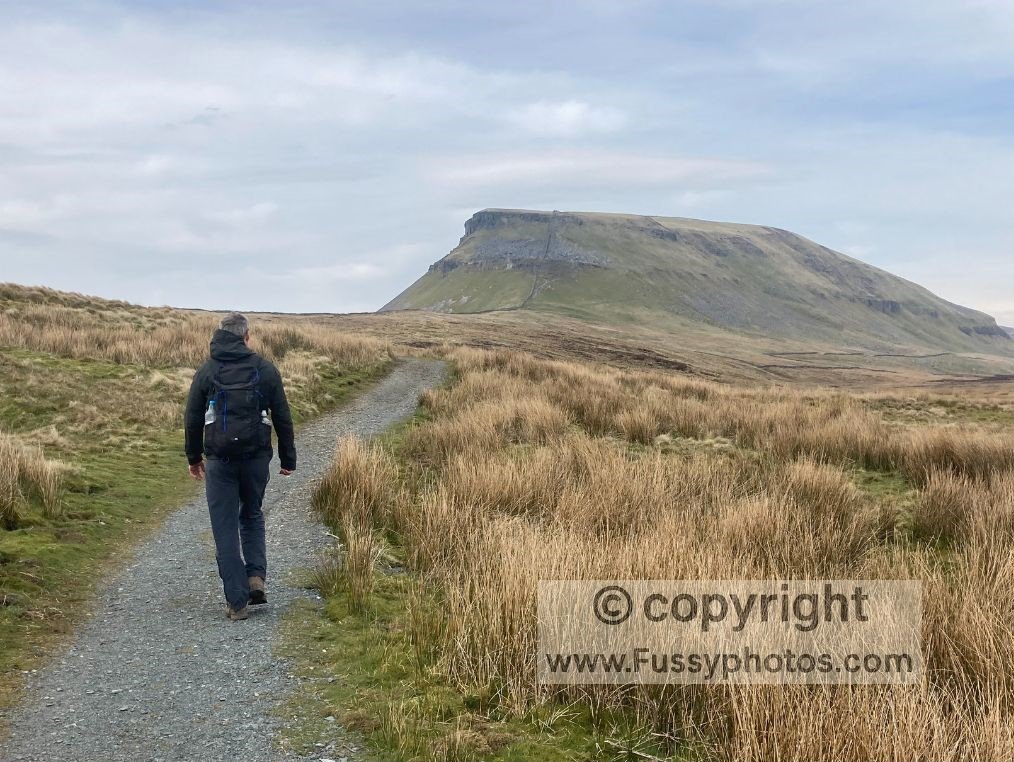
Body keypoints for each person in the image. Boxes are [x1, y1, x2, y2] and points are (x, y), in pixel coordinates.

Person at [184, 313, 296, 621]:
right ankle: (256, 577)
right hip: (256, 456)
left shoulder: (207, 371)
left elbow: (193, 419)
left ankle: (237, 602)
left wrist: (194, 458)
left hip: (219, 460)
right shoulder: (265, 370)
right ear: (247, 336)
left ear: (220, 336)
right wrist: (288, 459)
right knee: (252, 514)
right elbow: (282, 417)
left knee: (224, 527)